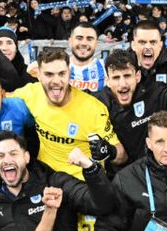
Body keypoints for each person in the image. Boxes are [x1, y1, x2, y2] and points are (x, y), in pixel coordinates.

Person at [11, 47, 124, 179]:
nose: (56, 81)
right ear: (38, 75)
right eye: (49, 74)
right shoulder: (31, 93)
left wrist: (108, 150)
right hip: (46, 177)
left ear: (69, 74)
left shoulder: (93, 108)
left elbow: (122, 156)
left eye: (62, 74)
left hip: (81, 181)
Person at [96, 47, 167, 165]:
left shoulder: (155, 94)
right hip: (122, 174)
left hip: (158, 170)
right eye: (116, 78)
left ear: (137, 76)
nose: (123, 84)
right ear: (107, 81)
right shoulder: (98, 104)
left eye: (127, 76)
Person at [130, 19, 167, 88]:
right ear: (133, 45)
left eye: (153, 42)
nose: (148, 47)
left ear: (160, 45)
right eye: (142, 42)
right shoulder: (123, 67)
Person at [66, 21, 105, 93]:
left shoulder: (106, 69)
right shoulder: (58, 68)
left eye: (89, 39)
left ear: (96, 43)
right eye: (79, 38)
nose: (84, 43)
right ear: (70, 41)